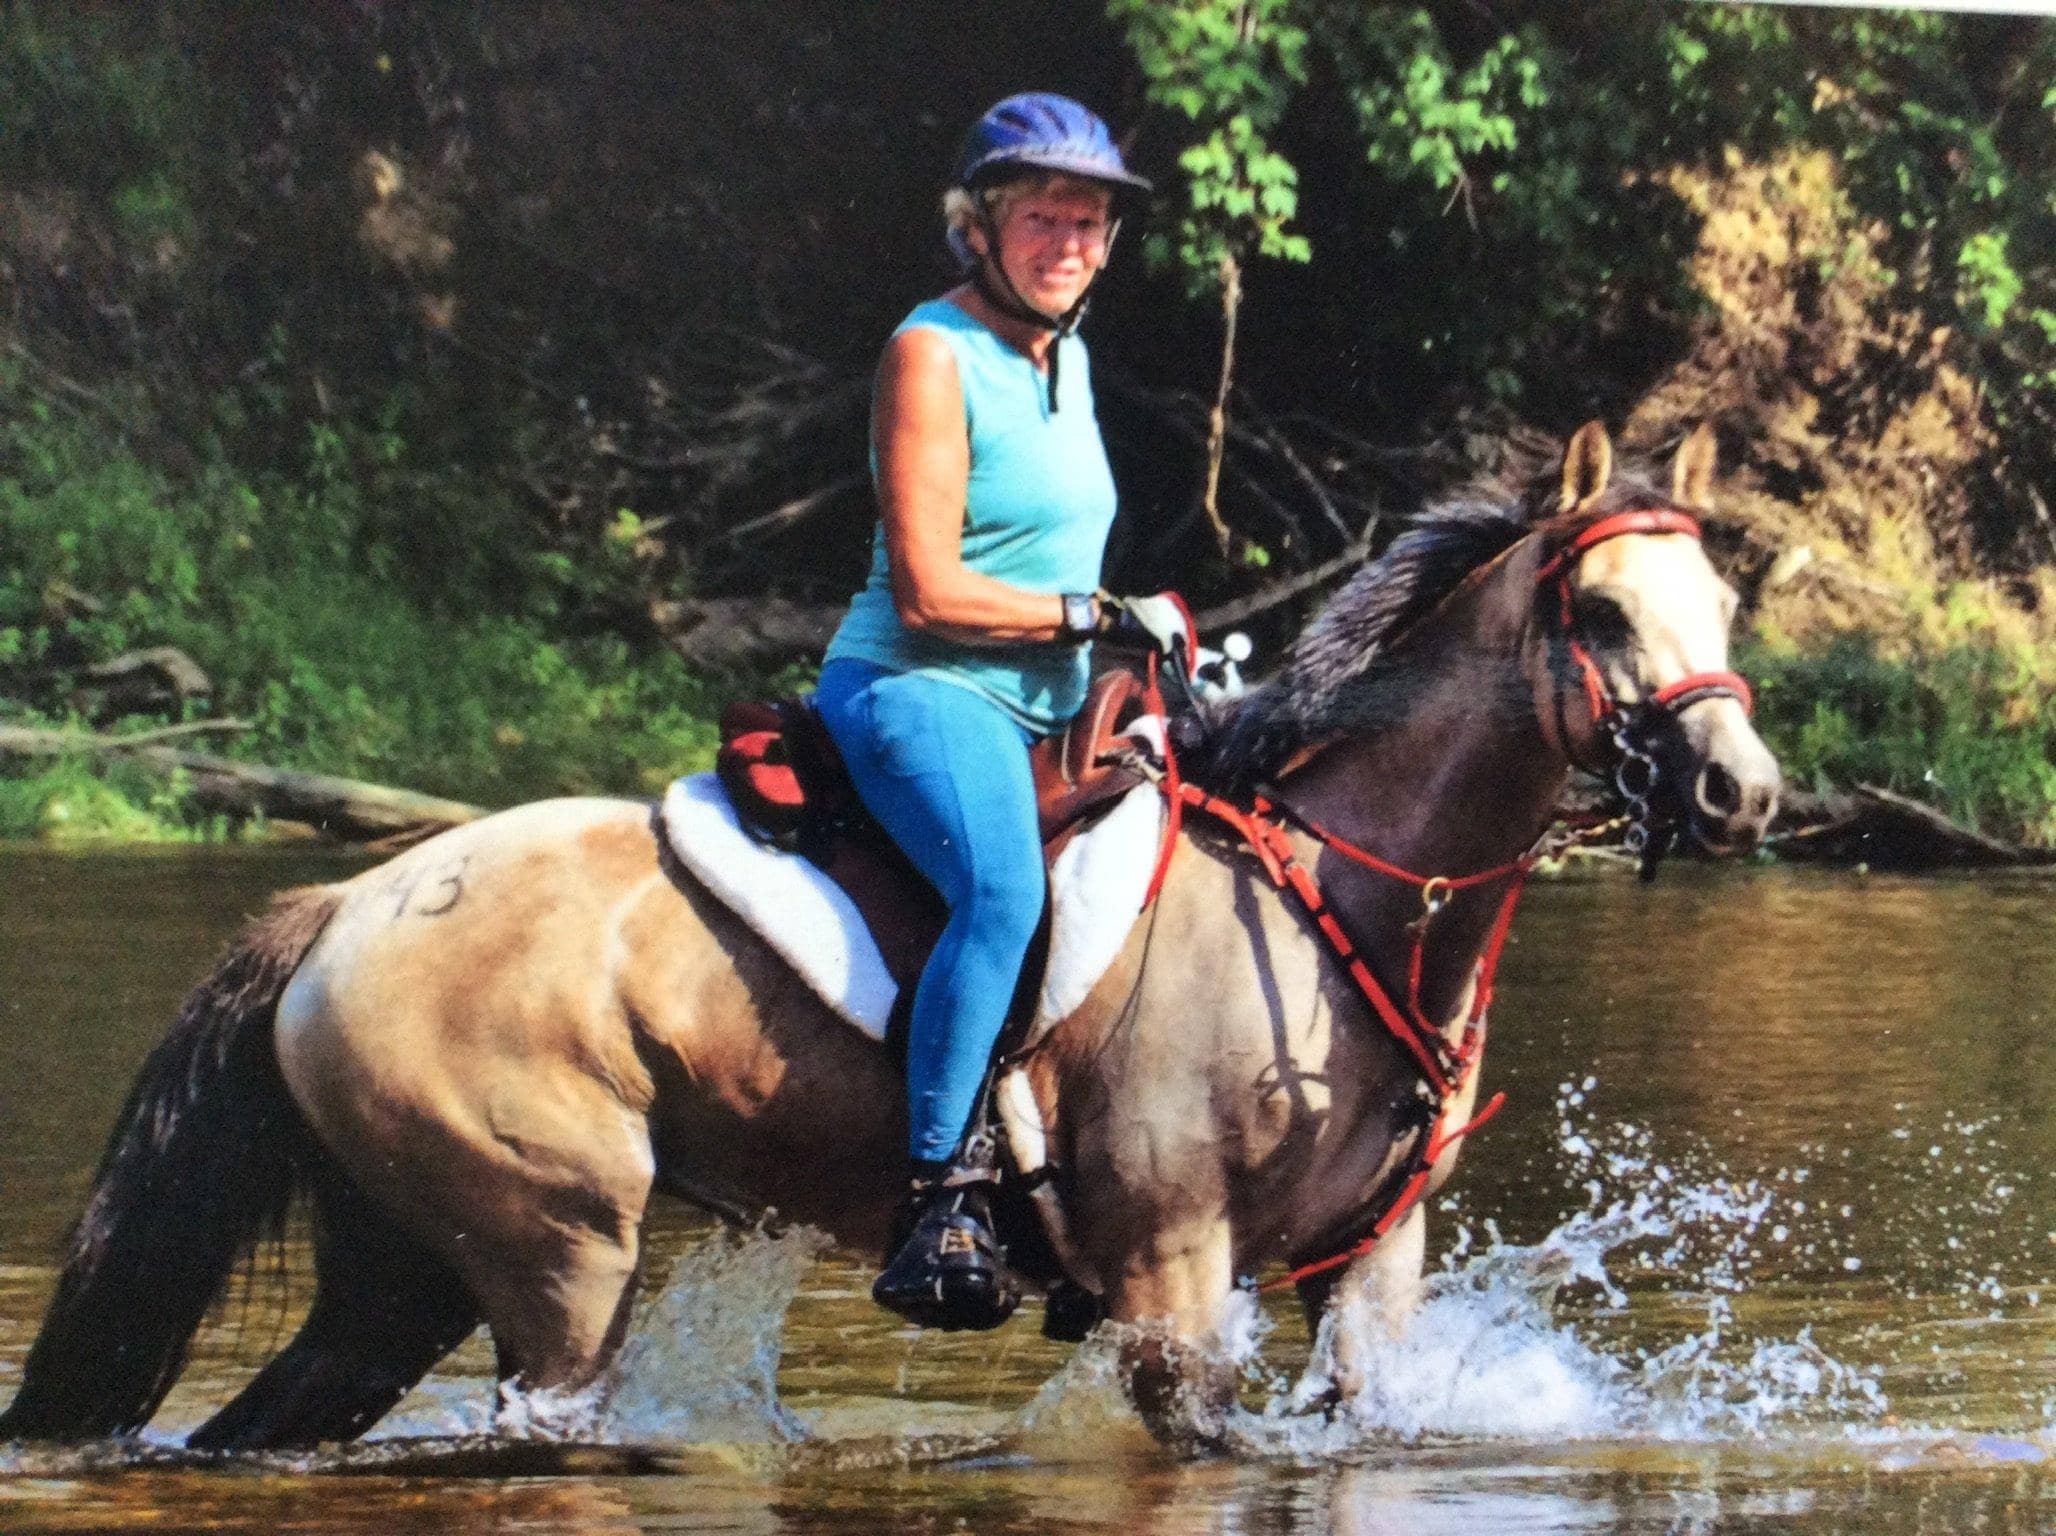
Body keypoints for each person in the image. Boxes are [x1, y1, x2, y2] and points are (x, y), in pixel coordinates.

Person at [814, 93, 1189, 1331]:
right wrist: (1096, 612)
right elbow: (930, 592)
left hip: (1052, 697)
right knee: (1002, 893)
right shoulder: (931, 352)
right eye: (1042, 220)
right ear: (975, 228)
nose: (1069, 245)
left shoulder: (1063, 355)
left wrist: (1123, 634)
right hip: (922, 687)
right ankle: (940, 1200)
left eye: (1088, 224)